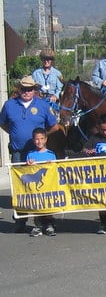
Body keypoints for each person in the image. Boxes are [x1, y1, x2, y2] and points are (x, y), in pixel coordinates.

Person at [0, 76, 59, 233]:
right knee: (20, 187)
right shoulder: (9, 105)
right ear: (19, 89)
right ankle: (20, 220)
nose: (27, 92)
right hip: (19, 151)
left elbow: (54, 126)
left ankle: (46, 220)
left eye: (30, 89)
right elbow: (3, 123)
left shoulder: (42, 104)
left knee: (43, 186)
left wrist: (41, 138)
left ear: (35, 90)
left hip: (39, 152)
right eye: (24, 89)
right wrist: (14, 133)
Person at [25, 128, 58, 237]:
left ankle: (49, 224)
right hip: (36, 186)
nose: (39, 141)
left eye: (41, 139)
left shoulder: (51, 154)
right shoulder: (30, 154)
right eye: (37, 139)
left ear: (46, 139)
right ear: (33, 140)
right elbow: (27, 170)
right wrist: (28, 164)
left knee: (48, 204)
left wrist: (51, 164)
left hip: (48, 184)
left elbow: (55, 169)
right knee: (37, 203)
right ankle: (38, 225)